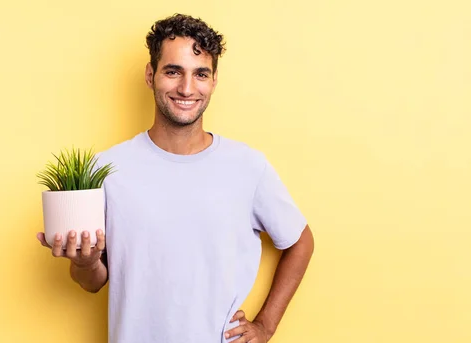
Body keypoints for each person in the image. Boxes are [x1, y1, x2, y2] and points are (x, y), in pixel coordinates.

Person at [37, 13, 315, 343]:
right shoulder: (107, 169)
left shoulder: (248, 166)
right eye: (173, 72)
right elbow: (93, 281)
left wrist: (265, 325)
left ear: (213, 81)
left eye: (200, 74)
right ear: (150, 74)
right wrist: (85, 262)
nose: (186, 88)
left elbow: (301, 241)